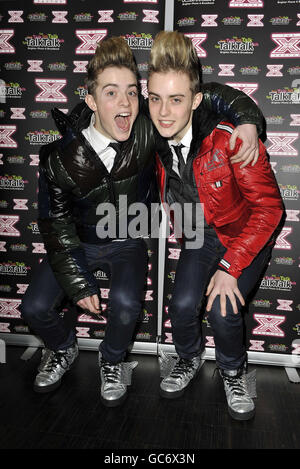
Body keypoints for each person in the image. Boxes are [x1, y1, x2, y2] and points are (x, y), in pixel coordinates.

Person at [21, 35, 265, 407]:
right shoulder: (60, 157)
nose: (127, 104)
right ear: (90, 100)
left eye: (133, 93)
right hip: (82, 240)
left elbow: (197, 96)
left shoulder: (150, 129)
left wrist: (246, 119)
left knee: (142, 303)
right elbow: (55, 225)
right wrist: (78, 281)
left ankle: (124, 361)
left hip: (139, 235)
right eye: (111, 93)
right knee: (34, 307)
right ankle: (64, 349)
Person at [148, 31, 283, 420]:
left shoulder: (231, 140)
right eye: (156, 99)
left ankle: (234, 370)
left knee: (224, 310)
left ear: (195, 100)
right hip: (200, 234)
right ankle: (188, 358)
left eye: (176, 100)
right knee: (182, 305)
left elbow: (270, 211)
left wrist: (230, 266)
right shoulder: (153, 136)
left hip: (244, 234)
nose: (164, 112)